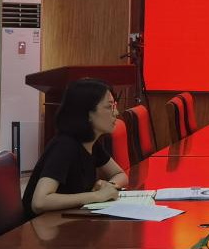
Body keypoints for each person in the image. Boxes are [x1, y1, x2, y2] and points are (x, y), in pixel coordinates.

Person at [23, 78, 130, 217]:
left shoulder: (90, 142)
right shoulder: (64, 146)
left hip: (67, 220)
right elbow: (39, 202)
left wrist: (109, 186)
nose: (116, 113)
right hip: (41, 225)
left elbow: (120, 175)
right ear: (88, 113)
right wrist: (96, 196)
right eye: (109, 107)